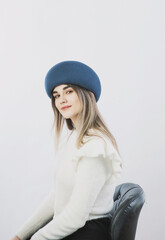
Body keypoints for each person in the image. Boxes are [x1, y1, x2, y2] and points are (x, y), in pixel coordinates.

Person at [11, 60, 123, 240]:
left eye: (69, 91)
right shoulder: (74, 138)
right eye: (56, 95)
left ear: (88, 95)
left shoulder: (95, 146)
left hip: (87, 233)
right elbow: (57, 196)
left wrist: (36, 238)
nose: (61, 99)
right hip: (73, 230)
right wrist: (20, 235)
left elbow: (76, 218)